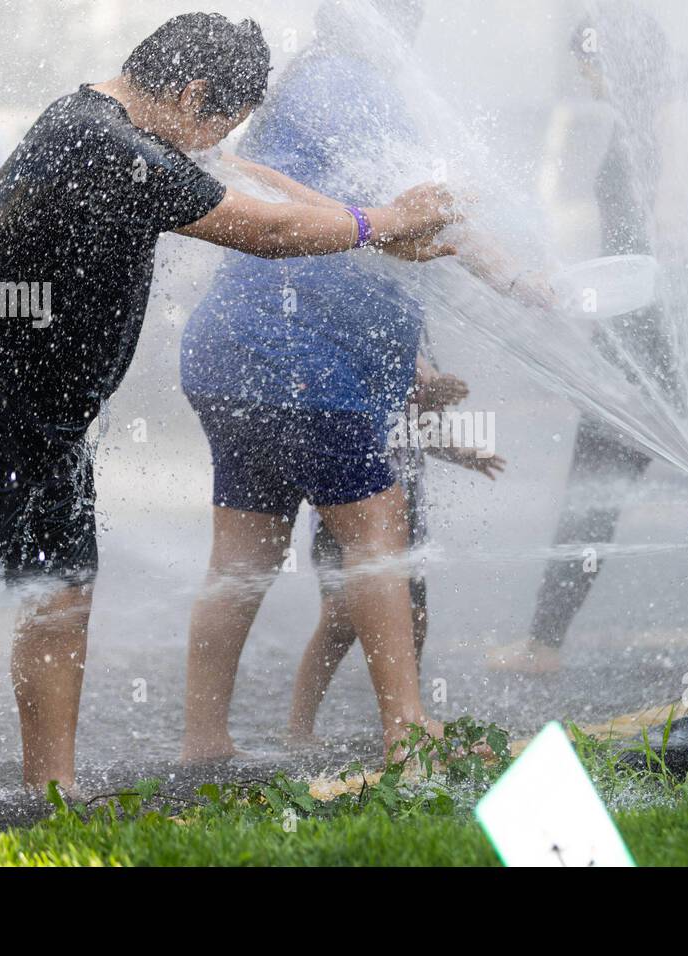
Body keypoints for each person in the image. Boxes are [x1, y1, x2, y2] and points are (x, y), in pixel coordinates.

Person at [0, 12, 457, 812]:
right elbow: (267, 229)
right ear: (193, 92)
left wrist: (380, 237)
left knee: (61, 596)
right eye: (217, 124)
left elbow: (261, 186)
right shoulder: (102, 140)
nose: (212, 145)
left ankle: (53, 791)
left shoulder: (134, 132)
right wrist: (381, 222)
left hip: (49, 403)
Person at [178, 0, 532, 764]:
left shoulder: (311, 82)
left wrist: (412, 365)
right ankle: (406, 729)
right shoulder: (350, 82)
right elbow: (419, 207)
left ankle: (203, 740)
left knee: (244, 557)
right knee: (377, 532)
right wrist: (523, 280)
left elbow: (357, 230)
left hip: (235, 350)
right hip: (299, 356)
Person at [488, 8, 688, 675]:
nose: (589, 85)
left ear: (615, 61)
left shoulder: (672, 109)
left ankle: (544, 644)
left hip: (659, 328)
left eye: (590, 70)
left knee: (601, 475)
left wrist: (640, 296)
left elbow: (674, 220)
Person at [288, 355, 505, 743]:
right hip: (344, 518)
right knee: (339, 623)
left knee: (414, 621)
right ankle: (298, 728)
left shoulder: (413, 337)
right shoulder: (358, 338)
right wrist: (424, 390)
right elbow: (362, 414)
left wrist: (464, 454)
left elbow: (418, 428)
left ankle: (406, 717)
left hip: (405, 521)